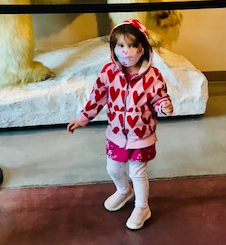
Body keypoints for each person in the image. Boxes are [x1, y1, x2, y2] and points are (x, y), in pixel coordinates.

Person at [67, 19, 174, 230]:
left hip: (141, 135)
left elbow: (159, 98)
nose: (127, 52)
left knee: (137, 172)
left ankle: (142, 207)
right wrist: (83, 118)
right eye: (121, 46)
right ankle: (124, 191)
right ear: (113, 48)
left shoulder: (153, 76)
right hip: (116, 134)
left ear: (143, 48)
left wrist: (164, 106)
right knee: (113, 168)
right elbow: (97, 97)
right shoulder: (108, 73)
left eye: (133, 45)